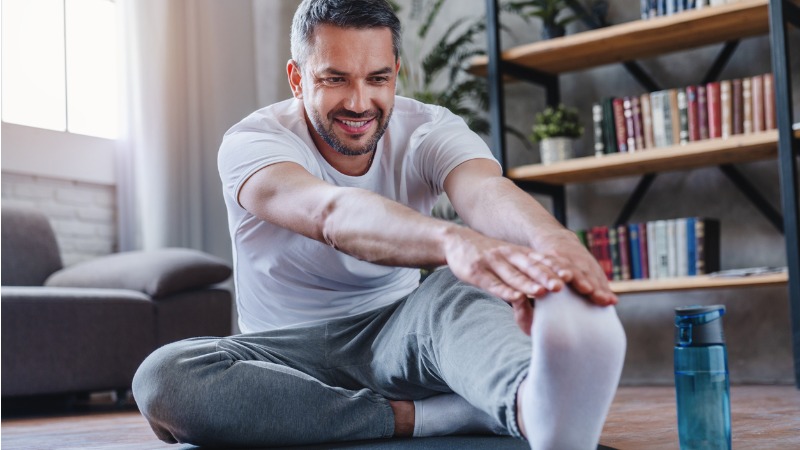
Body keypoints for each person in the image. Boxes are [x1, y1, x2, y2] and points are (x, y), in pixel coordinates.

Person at [132, 0, 626, 448]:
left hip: (402, 338)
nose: (359, 102)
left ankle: (531, 402)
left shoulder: (429, 129)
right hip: (283, 358)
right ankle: (438, 416)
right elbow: (332, 214)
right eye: (334, 79)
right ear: (297, 78)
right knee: (165, 377)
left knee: (459, 288)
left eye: (377, 78)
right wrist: (452, 240)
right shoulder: (253, 142)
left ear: (396, 74)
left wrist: (555, 242)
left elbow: (483, 191)